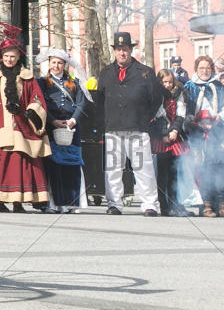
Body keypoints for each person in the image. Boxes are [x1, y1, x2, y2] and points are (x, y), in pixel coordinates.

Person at [97, 31, 162, 217]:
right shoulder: (106, 73)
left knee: (143, 168)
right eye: (118, 50)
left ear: (130, 50)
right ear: (114, 51)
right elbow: (100, 99)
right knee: (113, 169)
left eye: (125, 49)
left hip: (137, 127)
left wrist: (145, 118)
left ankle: (150, 204)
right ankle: (114, 204)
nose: (122, 53)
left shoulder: (145, 72)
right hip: (113, 128)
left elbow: (156, 99)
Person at [0, 29, 50, 211]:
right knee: (2, 162)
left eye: (12, 56)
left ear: (18, 57)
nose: (9, 60)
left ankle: (18, 201)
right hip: (0, 125)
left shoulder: (27, 77)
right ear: (1, 57)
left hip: (22, 126)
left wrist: (31, 111)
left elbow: (37, 99)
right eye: (6, 56)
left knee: (21, 162)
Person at [183, 55, 224, 217]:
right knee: (203, 169)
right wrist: (193, 121)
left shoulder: (218, 85)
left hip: (217, 132)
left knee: (221, 168)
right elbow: (185, 109)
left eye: (207, 68)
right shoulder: (189, 87)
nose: (205, 71)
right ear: (196, 69)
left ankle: (223, 206)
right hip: (198, 132)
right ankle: (206, 205)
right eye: (201, 68)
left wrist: (220, 116)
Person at [39, 49, 85, 212]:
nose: (56, 66)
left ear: (64, 65)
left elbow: (81, 103)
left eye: (59, 63)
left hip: (71, 127)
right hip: (52, 127)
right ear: (49, 64)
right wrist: (53, 121)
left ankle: (72, 202)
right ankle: (54, 203)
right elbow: (41, 104)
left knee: (71, 165)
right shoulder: (42, 82)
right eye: (53, 62)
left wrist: (73, 120)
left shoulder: (74, 82)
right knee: (53, 165)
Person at [152, 68, 190, 215]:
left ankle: (175, 202)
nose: (167, 85)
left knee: (174, 172)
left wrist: (175, 130)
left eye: (170, 81)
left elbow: (181, 115)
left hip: (175, 137)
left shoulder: (179, 93)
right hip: (161, 138)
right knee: (162, 174)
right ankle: (164, 205)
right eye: (164, 82)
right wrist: (164, 134)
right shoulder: (156, 95)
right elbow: (156, 117)